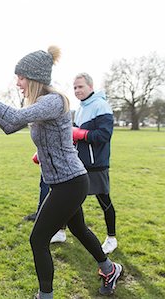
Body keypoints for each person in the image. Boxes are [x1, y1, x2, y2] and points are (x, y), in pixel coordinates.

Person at [0, 46, 123, 298]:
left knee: (38, 239)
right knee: (78, 229)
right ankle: (110, 268)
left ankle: (46, 296)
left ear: (33, 78)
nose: (18, 82)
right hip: (63, 181)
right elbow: (9, 126)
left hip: (70, 182)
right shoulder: (42, 104)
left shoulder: (52, 101)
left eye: (21, 77)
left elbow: (13, 117)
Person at [72, 73, 118, 254]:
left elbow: (104, 135)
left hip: (97, 164)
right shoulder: (80, 107)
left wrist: (81, 134)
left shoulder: (101, 105)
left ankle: (111, 238)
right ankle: (62, 231)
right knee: (72, 200)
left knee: (104, 201)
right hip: (80, 163)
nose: (77, 90)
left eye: (80, 87)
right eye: (75, 87)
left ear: (90, 87)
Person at [25, 153, 66, 244]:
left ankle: (60, 228)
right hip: (49, 161)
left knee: (61, 192)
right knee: (45, 185)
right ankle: (41, 214)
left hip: (61, 165)